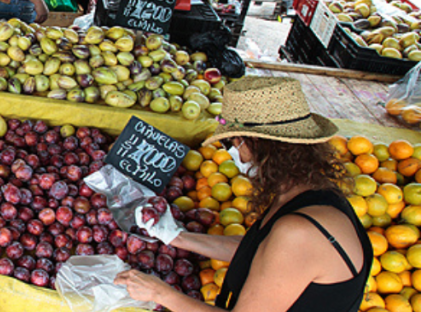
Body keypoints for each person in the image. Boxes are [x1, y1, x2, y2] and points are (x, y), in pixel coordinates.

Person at [115, 77, 371, 312]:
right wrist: (177, 237)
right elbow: (259, 249)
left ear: (256, 143)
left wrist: (160, 293)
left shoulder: (299, 232)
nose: (230, 153)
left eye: (231, 143)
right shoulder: (308, 195)